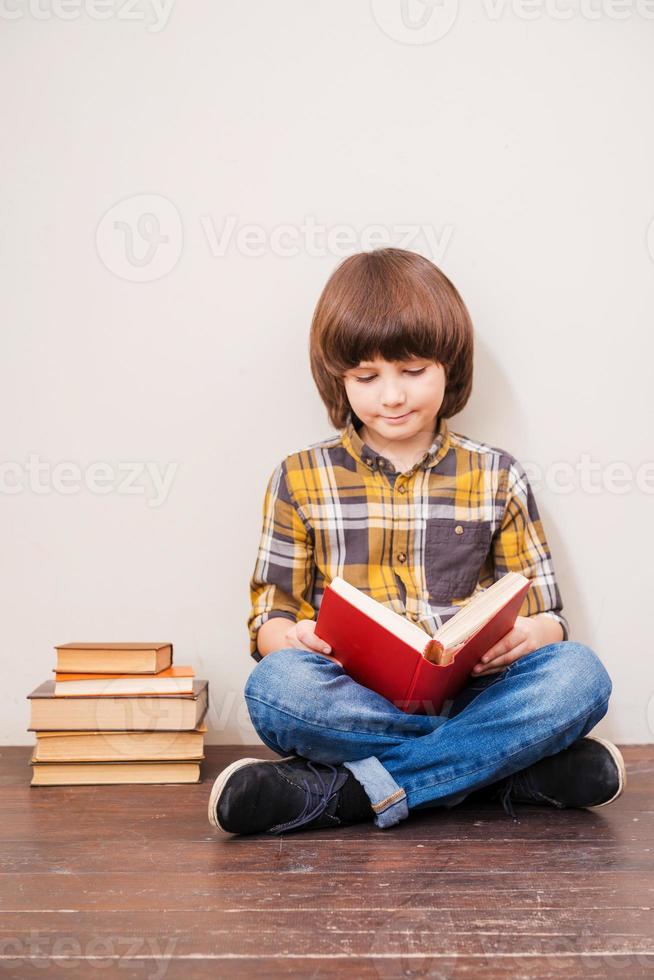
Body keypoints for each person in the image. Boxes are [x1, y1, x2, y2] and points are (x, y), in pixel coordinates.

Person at [208, 248, 625, 836]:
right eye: (366, 377)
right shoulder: (298, 476)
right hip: (352, 701)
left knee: (580, 676)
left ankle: (348, 793)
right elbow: (268, 620)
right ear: (340, 379)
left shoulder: (497, 474)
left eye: (412, 370)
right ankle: (505, 773)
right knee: (277, 689)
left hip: (476, 696)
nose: (393, 397)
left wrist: (532, 634)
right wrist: (293, 637)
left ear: (448, 363)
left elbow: (549, 616)